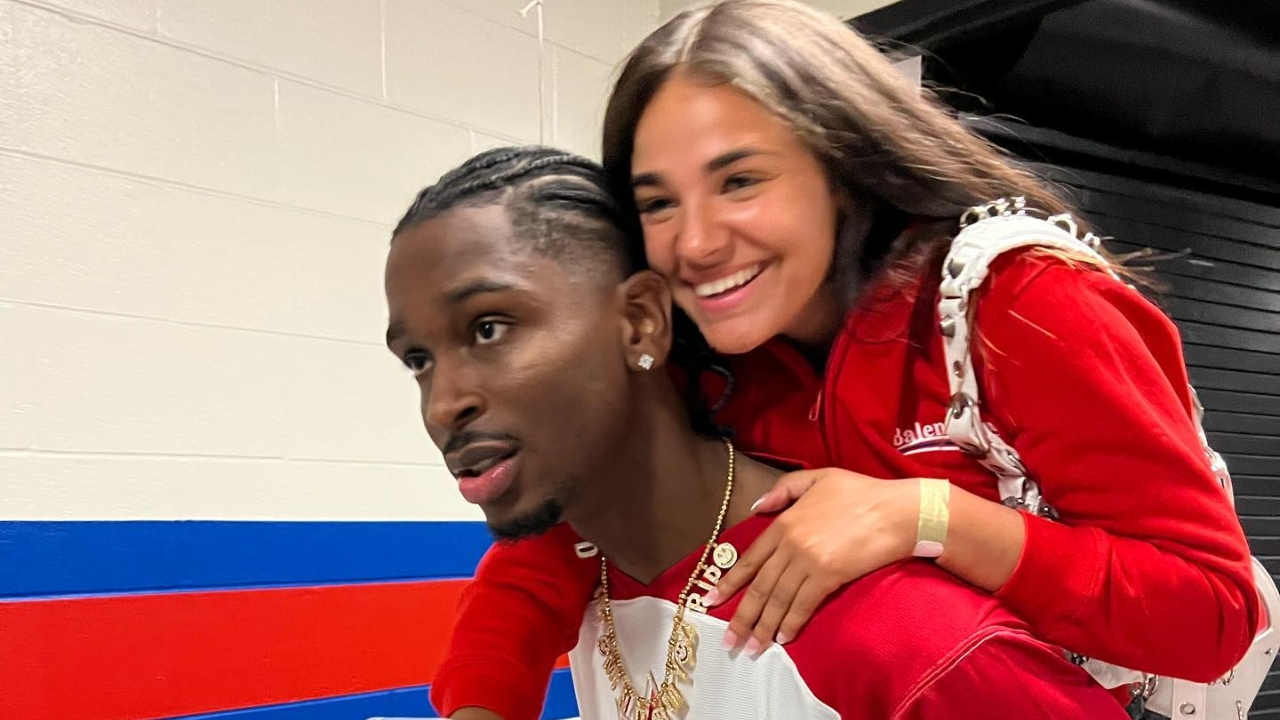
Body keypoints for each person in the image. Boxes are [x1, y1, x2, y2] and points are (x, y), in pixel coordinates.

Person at [429, 2, 1259, 719]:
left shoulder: (1020, 304)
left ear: (840, 167)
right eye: (657, 201)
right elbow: (556, 550)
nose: (696, 241)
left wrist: (929, 517)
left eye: (740, 180)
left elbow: (1214, 616)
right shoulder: (702, 351)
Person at [385, 146, 1129, 720]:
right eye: (418, 358)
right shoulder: (595, 570)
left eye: (489, 327)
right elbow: (516, 594)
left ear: (641, 321)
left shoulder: (906, 641)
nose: (441, 404)